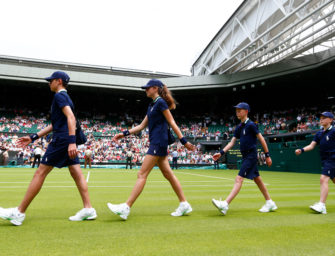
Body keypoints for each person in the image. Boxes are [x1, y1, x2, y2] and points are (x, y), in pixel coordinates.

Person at [0, 71, 97, 226]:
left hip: (62, 139)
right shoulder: (65, 97)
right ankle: (89, 209)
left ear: (58, 81)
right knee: (76, 173)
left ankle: (19, 212)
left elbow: (71, 118)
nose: (48, 83)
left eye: (50, 80)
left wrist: (71, 142)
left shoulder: (59, 96)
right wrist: (33, 137)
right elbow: (56, 123)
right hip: (65, 138)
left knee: (40, 172)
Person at [107, 79, 195, 220]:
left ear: (155, 88)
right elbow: (141, 126)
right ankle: (184, 203)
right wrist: (123, 134)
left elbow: (172, 122)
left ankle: (126, 207)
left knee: (142, 174)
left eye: (147, 88)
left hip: (158, 143)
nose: (145, 90)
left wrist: (184, 141)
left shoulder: (160, 102)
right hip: (157, 142)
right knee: (169, 175)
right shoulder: (152, 105)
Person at [212, 102, 277, 215]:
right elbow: (232, 142)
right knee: (257, 179)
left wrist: (267, 155)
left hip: (251, 155)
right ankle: (270, 202)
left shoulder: (251, 125)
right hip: (246, 156)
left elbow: (262, 140)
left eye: (240, 110)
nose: (237, 112)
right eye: (236, 110)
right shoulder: (239, 127)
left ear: (246, 112)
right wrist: (221, 152)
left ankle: (225, 204)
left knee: (239, 179)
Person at [295, 112, 335, 214]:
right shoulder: (319, 133)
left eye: (324, 118)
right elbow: (312, 145)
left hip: (332, 159)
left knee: (323, 179)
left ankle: (322, 205)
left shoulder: (334, 131)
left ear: (331, 120)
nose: (321, 120)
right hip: (325, 160)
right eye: (320, 118)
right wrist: (302, 150)